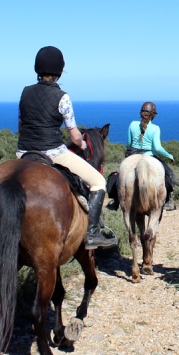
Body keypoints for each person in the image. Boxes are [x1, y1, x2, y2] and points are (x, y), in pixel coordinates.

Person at [16, 46, 117, 250]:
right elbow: (74, 135)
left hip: (23, 153)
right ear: (59, 71)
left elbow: (21, 126)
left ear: (37, 69)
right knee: (98, 182)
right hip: (53, 153)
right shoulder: (63, 97)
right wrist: (81, 145)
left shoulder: (25, 92)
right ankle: (92, 234)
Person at [126, 101, 176, 210]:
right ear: (153, 115)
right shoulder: (155, 128)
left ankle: (116, 200)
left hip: (132, 155)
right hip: (149, 155)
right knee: (169, 175)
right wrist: (169, 156)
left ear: (141, 113)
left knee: (120, 175)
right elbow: (157, 148)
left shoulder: (132, 124)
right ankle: (166, 201)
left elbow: (129, 144)